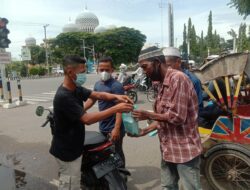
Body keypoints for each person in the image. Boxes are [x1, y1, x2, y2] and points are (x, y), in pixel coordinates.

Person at [50, 55, 133, 190]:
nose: (84, 75)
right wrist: (116, 107)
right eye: (82, 72)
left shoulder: (75, 88)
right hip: (67, 151)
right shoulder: (64, 96)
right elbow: (87, 119)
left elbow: (98, 95)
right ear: (70, 72)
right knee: (70, 183)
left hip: (75, 146)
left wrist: (117, 96)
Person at [130, 46, 202, 190]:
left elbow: (177, 117)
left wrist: (148, 115)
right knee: (168, 185)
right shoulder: (160, 83)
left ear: (157, 62)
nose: (144, 72)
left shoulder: (178, 79)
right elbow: (163, 118)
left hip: (184, 150)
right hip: (167, 148)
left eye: (145, 67)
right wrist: (145, 130)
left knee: (191, 187)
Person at [84, 56, 126, 168]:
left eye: (107, 70)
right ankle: (111, 173)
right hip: (103, 126)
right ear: (97, 69)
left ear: (112, 70)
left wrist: (116, 129)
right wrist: (81, 110)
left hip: (114, 127)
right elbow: (92, 99)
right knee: (106, 152)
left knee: (116, 151)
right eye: (101, 69)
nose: (104, 72)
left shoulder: (116, 86)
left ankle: (122, 174)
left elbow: (120, 108)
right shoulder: (98, 84)